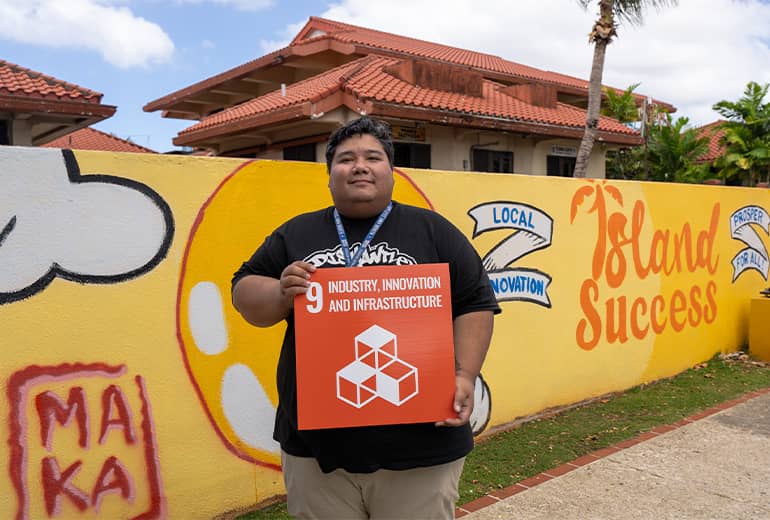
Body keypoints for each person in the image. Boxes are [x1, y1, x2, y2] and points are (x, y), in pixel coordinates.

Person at [232, 116, 500, 519]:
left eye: (373, 157)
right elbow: (244, 292)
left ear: (392, 172)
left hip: (421, 446)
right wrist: (280, 292)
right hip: (315, 446)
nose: (359, 166)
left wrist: (464, 376)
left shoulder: (433, 230)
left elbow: (474, 301)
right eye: (345, 159)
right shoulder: (297, 234)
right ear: (328, 176)